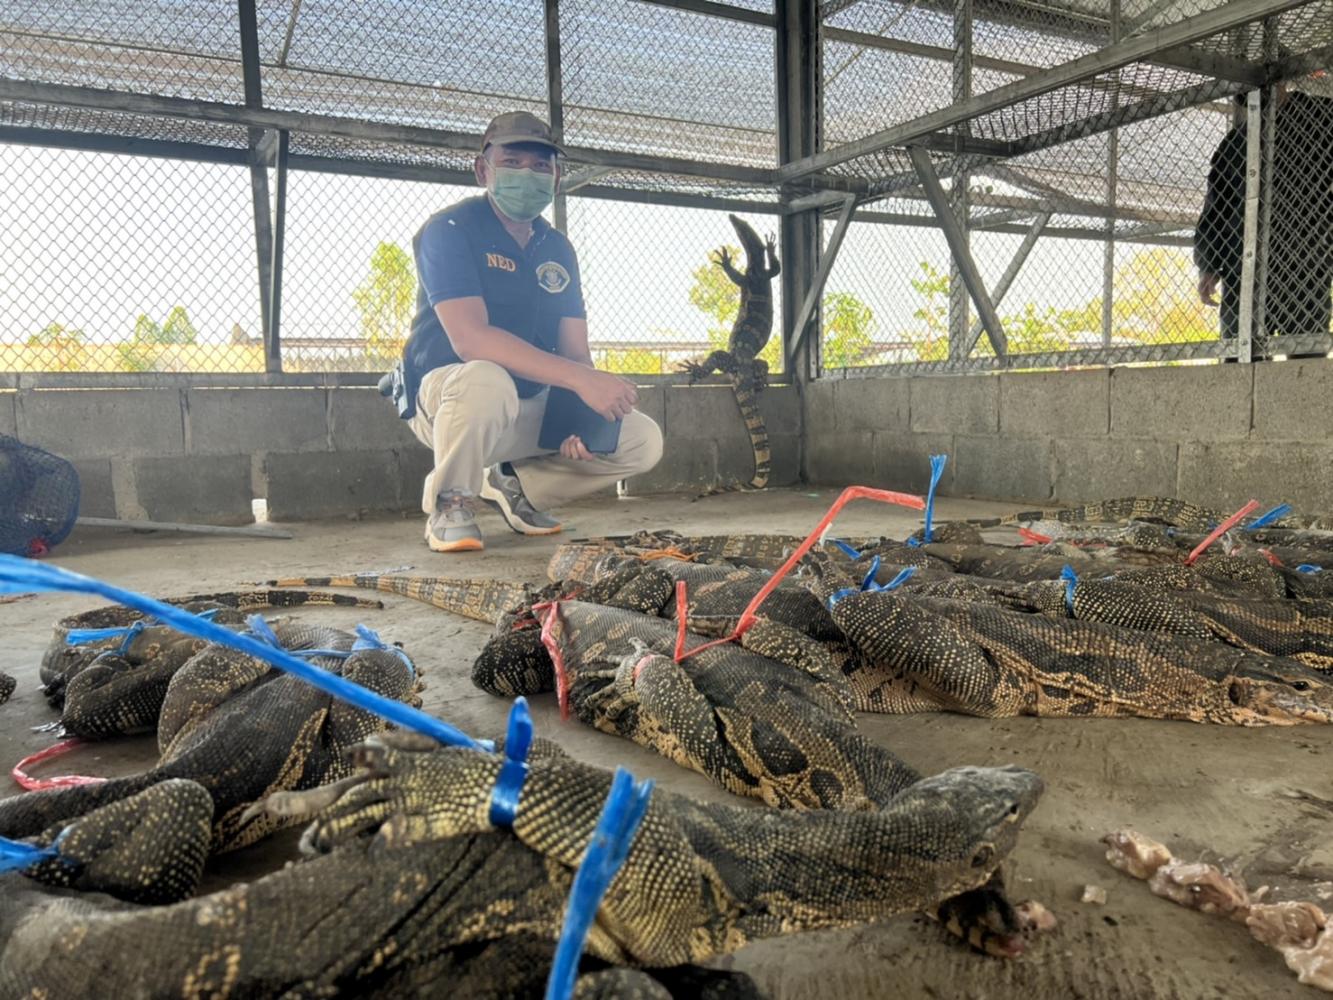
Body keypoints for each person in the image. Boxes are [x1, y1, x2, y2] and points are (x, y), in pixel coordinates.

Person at [393, 111, 663, 553]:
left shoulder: (556, 247)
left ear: (556, 177)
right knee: (486, 376)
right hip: (452, 400)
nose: (528, 175)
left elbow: (576, 351)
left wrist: (580, 417)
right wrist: (580, 381)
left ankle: (512, 481)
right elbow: (471, 339)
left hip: (524, 404)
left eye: (541, 166)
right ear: (484, 169)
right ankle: (451, 500)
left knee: (639, 438)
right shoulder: (449, 230)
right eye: (513, 162)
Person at [1194, 74, 1333, 355]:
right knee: (1238, 354)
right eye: (1250, 94)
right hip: (1245, 269)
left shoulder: (1321, 118)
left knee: (1306, 357)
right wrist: (1207, 264)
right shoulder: (1235, 143)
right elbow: (1215, 207)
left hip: (1304, 262)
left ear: (1282, 81)